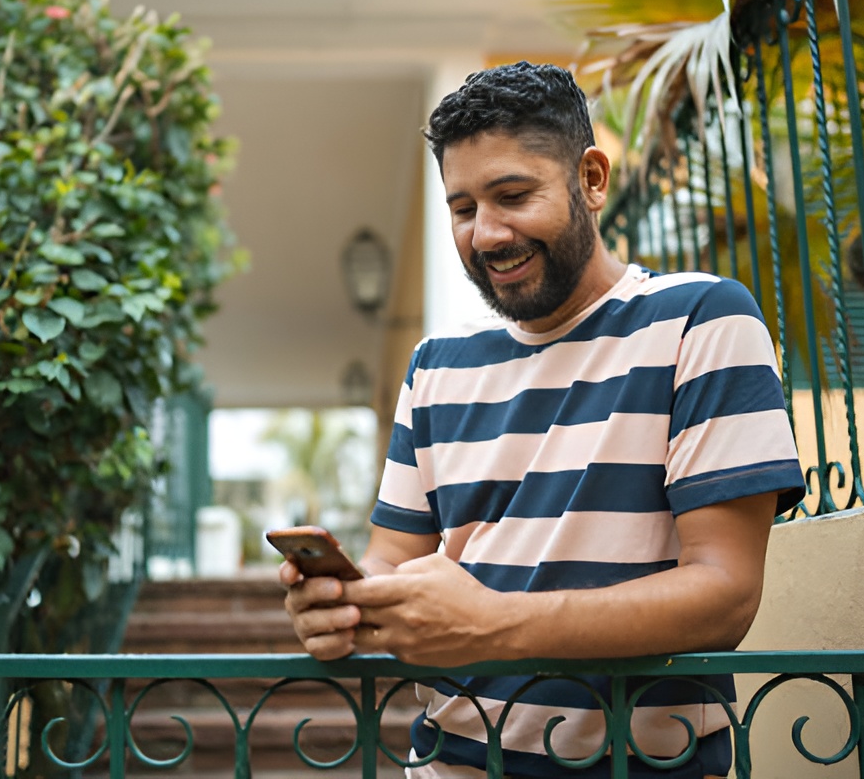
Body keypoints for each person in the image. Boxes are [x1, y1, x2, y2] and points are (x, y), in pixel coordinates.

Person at [280, 61, 805, 778]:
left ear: (591, 179)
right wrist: (344, 602)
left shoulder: (702, 320)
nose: (487, 234)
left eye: (513, 195)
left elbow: (724, 594)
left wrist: (491, 625)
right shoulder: (435, 365)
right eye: (463, 209)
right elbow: (392, 561)